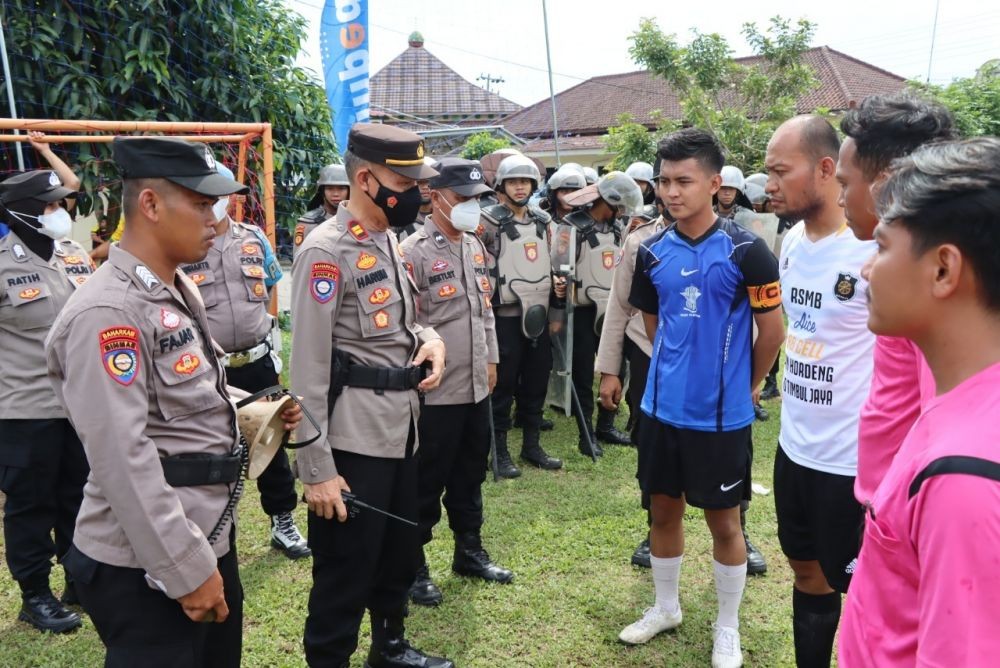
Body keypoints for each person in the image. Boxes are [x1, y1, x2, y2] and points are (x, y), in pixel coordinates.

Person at [45, 137, 302, 666]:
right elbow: (123, 457)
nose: (216, 218)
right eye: (203, 204)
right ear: (151, 205)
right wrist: (186, 568)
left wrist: (255, 405)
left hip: (203, 532)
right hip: (149, 559)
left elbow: (184, 394)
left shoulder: (172, 285)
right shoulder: (109, 313)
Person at [290, 123, 452, 668]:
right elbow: (308, 369)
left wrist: (429, 341)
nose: (418, 192)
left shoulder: (386, 237)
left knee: (396, 557)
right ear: (365, 177)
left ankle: (390, 648)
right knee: (344, 573)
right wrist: (316, 469)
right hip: (352, 442)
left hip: (401, 429)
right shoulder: (324, 252)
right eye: (406, 182)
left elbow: (401, 323)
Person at [621, 129, 784, 668]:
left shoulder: (748, 251)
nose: (671, 191)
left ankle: (727, 626)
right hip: (661, 411)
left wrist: (748, 385)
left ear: (715, 184)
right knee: (662, 512)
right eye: (664, 180)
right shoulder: (650, 251)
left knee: (725, 523)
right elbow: (654, 325)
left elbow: (772, 332)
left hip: (721, 420)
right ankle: (666, 607)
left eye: (683, 181)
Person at [839, 137, 1000, 666]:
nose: (866, 271)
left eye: (882, 247)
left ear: (943, 270)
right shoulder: (962, 403)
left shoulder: (963, 477)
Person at [765, 115, 876, 667]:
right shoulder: (789, 242)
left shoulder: (871, 251)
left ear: (827, 168)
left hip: (853, 463)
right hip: (795, 447)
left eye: (781, 171)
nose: (770, 184)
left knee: (861, 586)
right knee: (805, 569)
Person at [180, 162, 309, 560]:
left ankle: (282, 520)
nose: (217, 205)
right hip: (207, 368)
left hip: (256, 362)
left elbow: (271, 285)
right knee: (212, 451)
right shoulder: (183, 247)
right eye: (207, 197)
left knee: (272, 445)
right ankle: (210, 530)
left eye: (222, 197)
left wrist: (269, 341)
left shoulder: (253, 239)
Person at [399, 157, 514, 607]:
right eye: (464, 199)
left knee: (470, 474)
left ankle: (469, 551)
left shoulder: (474, 246)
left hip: (475, 386)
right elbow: (407, 324)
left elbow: (484, 310)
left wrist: (492, 359)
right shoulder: (412, 252)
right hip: (436, 389)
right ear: (437, 196)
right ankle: (414, 565)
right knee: (427, 479)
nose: (472, 207)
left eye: (477, 199)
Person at [836, 93, 956, 509]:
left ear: (884, 181)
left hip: (906, 503)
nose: (840, 199)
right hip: (882, 497)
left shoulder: (924, 288)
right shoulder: (903, 272)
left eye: (843, 183)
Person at [0, 170, 93, 633]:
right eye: (51, 205)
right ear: (22, 212)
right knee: (31, 504)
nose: (60, 212)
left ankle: (83, 580)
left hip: (78, 406)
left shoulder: (74, 254)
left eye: (61, 204)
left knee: (81, 495)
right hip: (25, 408)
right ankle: (34, 593)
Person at [479, 153, 563, 477]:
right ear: (502, 185)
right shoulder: (488, 221)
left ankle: (532, 445)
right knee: (503, 385)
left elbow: (555, 267)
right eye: (513, 181)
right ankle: (498, 452)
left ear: (533, 185)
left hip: (539, 313)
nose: (519, 187)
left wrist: (556, 309)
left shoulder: (544, 222)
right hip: (505, 317)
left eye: (524, 181)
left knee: (537, 380)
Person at [558, 171, 641, 454]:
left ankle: (606, 424)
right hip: (582, 310)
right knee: (582, 375)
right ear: (609, 200)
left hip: (613, 309)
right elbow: (559, 267)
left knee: (618, 368)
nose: (621, 213)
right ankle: (586, 434)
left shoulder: (618, 228)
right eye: (619, 207)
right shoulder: (572, 226)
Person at [294, 163, 350, 255]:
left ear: (349, 190)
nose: (335, 193)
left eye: (341, 188)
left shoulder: (359, 219)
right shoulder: (308, 223)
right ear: (322, 191)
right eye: (330, 188)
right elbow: (299, 259)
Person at [396, 157, 435, 242]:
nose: (425, 187)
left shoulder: (444, 217)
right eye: (420, 183)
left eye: (429, 182)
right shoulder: (400, 219)